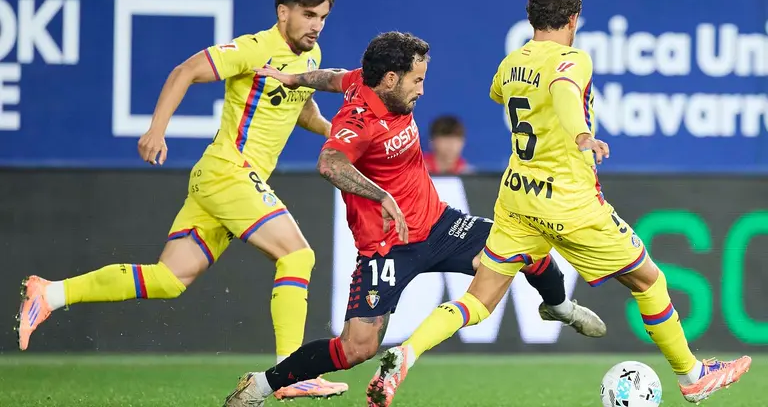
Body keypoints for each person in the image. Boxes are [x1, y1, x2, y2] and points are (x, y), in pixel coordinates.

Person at [366, 0, 752, 406]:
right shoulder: (573, 59)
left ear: (531, 18)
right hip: (570, 203)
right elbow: (565, 91)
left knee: (479, 298)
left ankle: (407, 351)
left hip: (517, 199)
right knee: (649, 280)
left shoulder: (512, 62)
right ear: (573, 19)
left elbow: (499, 92)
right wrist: (582, 133)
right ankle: (693, 376)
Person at [221, 31, 606, 407]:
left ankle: (560, 307)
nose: (422, 90)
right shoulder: (357, 120)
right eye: (416, 80)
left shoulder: (363, 81)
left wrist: (292, 78)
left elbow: (332, 77)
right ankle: (259, 385)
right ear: (391, 79)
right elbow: (329, 163)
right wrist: (381, 194)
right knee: (358, 348)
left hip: (438, 225)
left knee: (522, 247)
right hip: (385, 247)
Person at [15, 0, 348, 400]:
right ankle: (290, 371)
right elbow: (185, 71)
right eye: (307, 15)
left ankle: (52, 293)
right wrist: (156, 130)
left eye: (321, 17)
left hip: (227, 182)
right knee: (298, 254)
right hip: (228, 171)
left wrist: (330, 129)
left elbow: (298, 107)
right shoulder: (253, 48)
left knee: (169, 279)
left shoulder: (310, 54)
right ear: (283, 12)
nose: (316, 25)